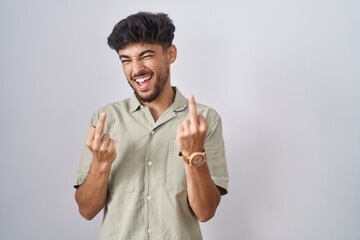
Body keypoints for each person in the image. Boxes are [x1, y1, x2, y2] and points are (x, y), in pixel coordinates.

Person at [74, 11, 229, 240]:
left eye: (145, 56)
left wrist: (194, 155)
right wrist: (101, 164)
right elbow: (86, 211)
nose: (136, 70)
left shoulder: (204, 121)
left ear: (171, 54)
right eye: (126, 59)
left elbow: (205, 212)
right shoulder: (105, 120)